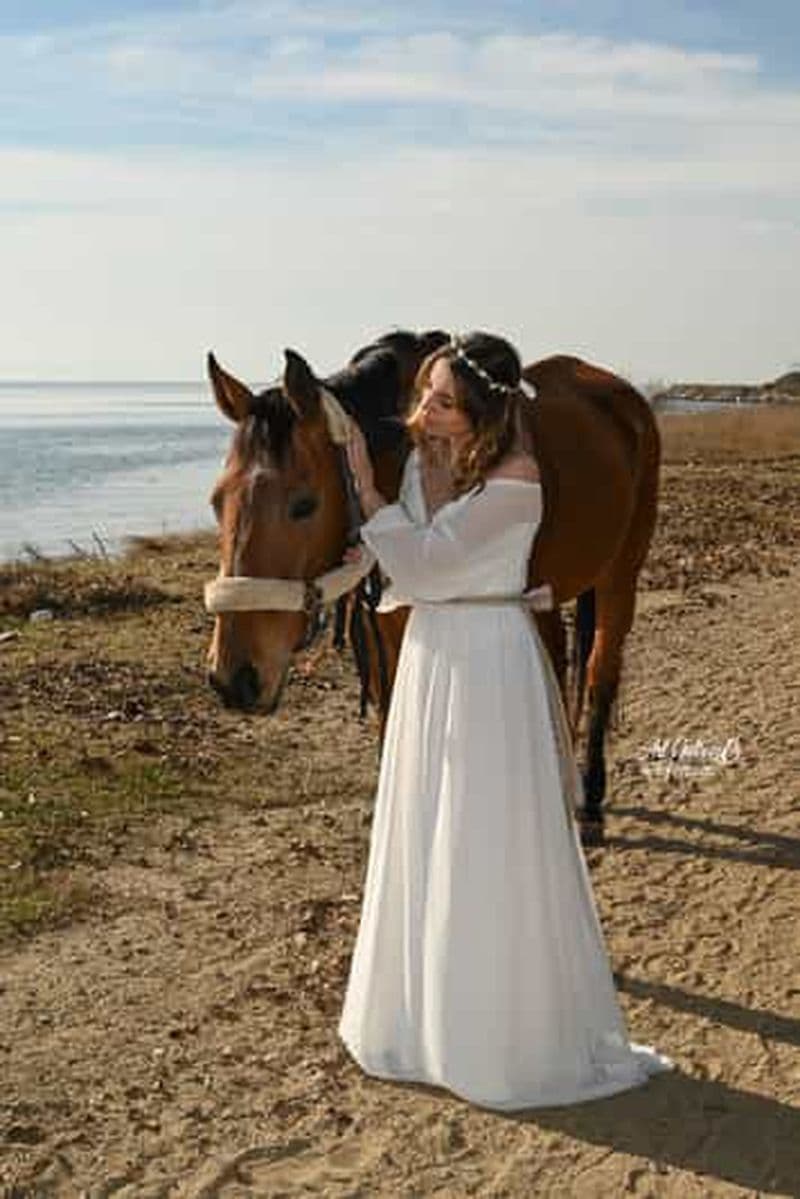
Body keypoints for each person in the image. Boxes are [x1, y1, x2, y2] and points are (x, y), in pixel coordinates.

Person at [338, 331, 671, 1110]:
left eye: (444, 402)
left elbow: (425, 564)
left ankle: (494, 1035)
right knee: (428, 825)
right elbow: (401, 557)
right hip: (431, 657)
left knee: (485, 835)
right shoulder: (427, 460)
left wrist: (366, 492)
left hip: (487, 660)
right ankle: (420, 1019)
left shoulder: (516, 480)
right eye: (424, 395)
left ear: (483, 413)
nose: (424, 412)